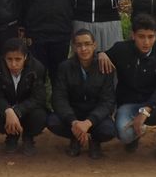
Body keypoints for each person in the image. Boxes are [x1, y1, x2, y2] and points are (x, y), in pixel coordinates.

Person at [98, 13, 156, 162]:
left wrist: (146, 110)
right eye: (141, 36)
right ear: (133, 35)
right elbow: (100, 57)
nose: (146, 42)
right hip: (129, 105)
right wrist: (100, 54)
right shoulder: (121, 49)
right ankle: (135, 136)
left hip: (154, 106)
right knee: (124, 135)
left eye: (151, 37)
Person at [47, 29, 116, 159]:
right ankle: (76, 138)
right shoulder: (65, 67)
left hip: (95, 116)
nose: (83, 49)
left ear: (94, 45)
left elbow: (108, 101)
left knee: (109, 130)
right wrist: (73, 122)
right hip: (74, 114)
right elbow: (58, 98)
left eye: (87, 44)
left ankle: (94, 141)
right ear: (74, 47)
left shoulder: (104, 66)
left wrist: (89, 122)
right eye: (79, 45)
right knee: (53, 121)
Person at [0, 38, 47, 156]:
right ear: (4, 57)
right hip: (6, 110)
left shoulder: (37, 67)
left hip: (27, 110)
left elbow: (38, 98)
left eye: (18, 59)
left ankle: (28, 137)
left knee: (40, 116)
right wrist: (7, 110)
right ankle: (11, 136)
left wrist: (17, 111)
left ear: (25, 57)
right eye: (9, 59)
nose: (13, 64)